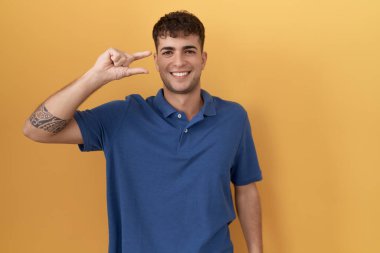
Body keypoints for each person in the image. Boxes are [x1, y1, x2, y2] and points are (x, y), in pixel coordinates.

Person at [23, 10, 263, 253]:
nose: (179, 62)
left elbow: (245, 188)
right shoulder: (122, 117)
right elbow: (35, 130)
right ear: (156, 60)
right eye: (168, 52)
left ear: (203, 58)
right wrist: (94, 77)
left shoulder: (233, 118)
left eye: (188, 50)